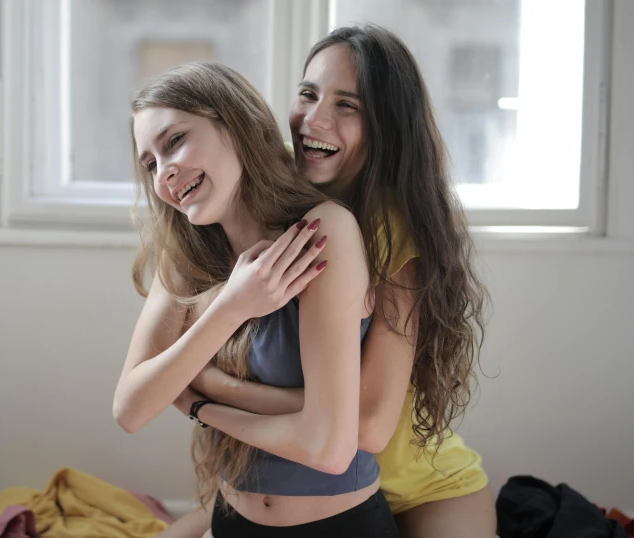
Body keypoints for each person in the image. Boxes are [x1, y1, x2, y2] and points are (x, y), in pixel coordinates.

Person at [162, 25, 495, 538]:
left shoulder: (393, 231)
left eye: (348, 105)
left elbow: (366, 426)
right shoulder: (269, 204)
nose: (313, 119)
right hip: (305, 472)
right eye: (308, 93)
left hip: (418, 485)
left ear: (386, 127)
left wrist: (209, 388)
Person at [114, 62, 401, 537]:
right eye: (150, 164)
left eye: (174, 141)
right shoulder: (187, 251)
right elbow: (130, 408)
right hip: (232, 520)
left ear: (235, 123)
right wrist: (233, 306)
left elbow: (328, 448)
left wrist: (202, 406)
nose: (164, 173)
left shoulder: (322, 230)